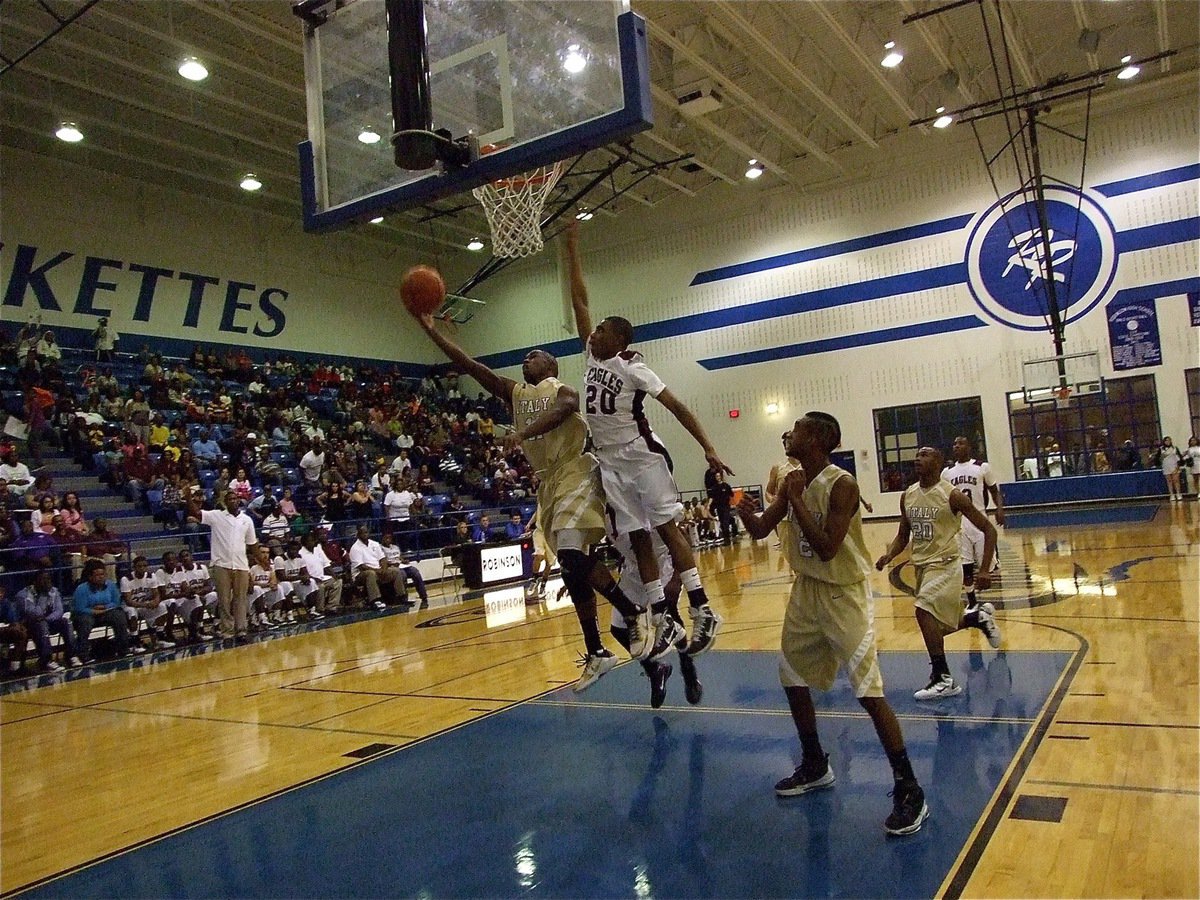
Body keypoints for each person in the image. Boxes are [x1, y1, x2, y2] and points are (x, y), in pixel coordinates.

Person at [415, 302, 657, 693]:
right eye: (524, 356)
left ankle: (630, 615)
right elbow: (469, 365)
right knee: (575, 563)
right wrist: (430, 331)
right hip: (549, 485)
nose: (527, 358)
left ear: (551, 365)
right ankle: (599, 649)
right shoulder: (517, 393)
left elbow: (565, 408)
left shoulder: (559, 389)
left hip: (578, 471)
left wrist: (523, 435)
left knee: (574, 559)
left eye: (535, 354)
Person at [735, 412, 928, 835]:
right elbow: (763, 529)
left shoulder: (843, 485)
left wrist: (798, 499)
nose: (790, 434)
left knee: (868, 693)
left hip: (844, 594)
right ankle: (814, 762)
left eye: (799, 428)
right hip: (807, 591)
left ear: (820, 438)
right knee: (791, 677)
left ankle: (908, 787)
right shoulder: (791, 479)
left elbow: (826, 548)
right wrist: (744, 511)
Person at [566, 221, 727, 658]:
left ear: (618, 339)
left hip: (642, 456)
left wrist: (708, 447)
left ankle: (702, 606)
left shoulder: (634, 368)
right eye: (593, 330)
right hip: (611, 463)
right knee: (638, 537)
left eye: (601, 331)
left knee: (664, 526)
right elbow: (580, 299)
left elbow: (678, 407)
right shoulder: (589, 356)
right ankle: (660, 614)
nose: (592, 333)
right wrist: (571, 244)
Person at [876, 446, 1002, 701]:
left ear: (939, 462)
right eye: (917, 455)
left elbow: (989, 530)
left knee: (923, 611)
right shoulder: (908, 495)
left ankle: (943, 678)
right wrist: (889, 555)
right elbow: (903, 535)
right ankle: (976, 618)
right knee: (938, 626)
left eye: (925, 455)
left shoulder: (951, 496)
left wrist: (985, 569)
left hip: (946, 564)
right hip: (922, 567)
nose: (917, 459)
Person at [942, 436, 1006, 607]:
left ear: (968, 447)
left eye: (961, 443)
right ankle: (972, 603)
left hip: (979, 520)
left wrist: (999, 508)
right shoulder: (947, 472)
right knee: (966, 567)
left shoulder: (981, 467)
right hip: (960, 523)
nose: (956, 446)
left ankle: (993, 602)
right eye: (954, 444)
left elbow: (994, 491)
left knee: (990, 567)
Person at [197, 491, 258, 642]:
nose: (233, 501)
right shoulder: (216, 516)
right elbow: (197, 514)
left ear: (239, 501)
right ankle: (227, 631)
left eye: (235, 498)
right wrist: (188, 498)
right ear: (225, 502)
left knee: (241, 599)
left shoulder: (247, 520)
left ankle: (241, 630)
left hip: (241, 564)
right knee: (224, 599)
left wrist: (261, 560)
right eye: (230, 499)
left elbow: (252, 543)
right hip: (221, 564)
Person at [15, 565, 82, 671]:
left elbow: (59, 611)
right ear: (35, 581)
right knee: (41, 625)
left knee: (66, 622)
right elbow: (33, 613)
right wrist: (42, 597)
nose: (47, 582)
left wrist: (47, 619)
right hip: (28, 625)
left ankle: (72, 656)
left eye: (49, 579)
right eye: (43, 579)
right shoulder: (23, 594)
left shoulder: (54, 591)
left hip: (47, 621)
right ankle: (46, 660)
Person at [72, 557, 134, 662]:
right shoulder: (81, 588)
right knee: (85, 622)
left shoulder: (110, 585)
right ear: (90, 577)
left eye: (102, 575)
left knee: (119, 615)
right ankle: (83, 654)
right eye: (97, 575)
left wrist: (105, 607)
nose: (101, 577)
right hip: (87, 614)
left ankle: (123, 649)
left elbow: (116, 602)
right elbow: (79, 608)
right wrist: (93, 611)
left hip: (106, 612)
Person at [120, 555, 175, 650]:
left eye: (144, 566)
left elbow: (156, 594)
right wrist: (145, 605)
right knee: (132, 612)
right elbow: (128, 601)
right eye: (139, 566)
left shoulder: (151, 576)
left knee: (162, 606)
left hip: (144, 604)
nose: (142, 568)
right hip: (130, 606)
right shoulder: (126, 579)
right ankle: (134, 642)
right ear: (134, 567)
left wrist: (156, 602)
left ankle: (160, 637)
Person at [348, 524, 400, 610]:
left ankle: (400, 596)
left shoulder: (375, 544)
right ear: (358, 535)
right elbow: (361, 566)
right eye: (362, 533)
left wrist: (383, 569)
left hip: (377, 570)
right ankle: (375, 600)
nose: (365, 534)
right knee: (371, 574)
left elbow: (383, 559)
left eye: (366, 532)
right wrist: (377, 570)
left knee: (395, 571)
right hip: (360, 575)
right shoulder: (355, 548)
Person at [379, 531, 429, 608]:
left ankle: (423, 596)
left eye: (389, 538)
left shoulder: (395, 547)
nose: (388, 540)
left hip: (401, 565)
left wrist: (403, 561)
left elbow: (399, 557)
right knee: (403, 574)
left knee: (415, 572)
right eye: (386, 538)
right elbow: (382, 561)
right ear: (382, 539)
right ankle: (404, 598)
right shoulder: (380, 548)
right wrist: (392, 564)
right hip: (391, 567)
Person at [299, 531, 344, 614]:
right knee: (321, 586)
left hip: (322, 577)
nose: (314, 542)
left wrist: (334, 576)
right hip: (310, 581)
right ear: (305, 543)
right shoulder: (300, 554)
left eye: (314, 540)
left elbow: (326, 564)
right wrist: (313, 578)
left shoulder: (318, 549)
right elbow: (302, 572)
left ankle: (331, 607)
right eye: (311, 541)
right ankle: (320, 609)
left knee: (338, 582)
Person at [1151, 436, 1186, 501]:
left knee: (1176, 480)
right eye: (1166, 440)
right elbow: (1157, 459)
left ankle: (1178, 493)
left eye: (1169, 440)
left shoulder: (1175, 448)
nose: (1168, 442)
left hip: (1175, 466)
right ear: (1164, 442)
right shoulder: (1161, 449)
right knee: (1169, 481)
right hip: (1166, 466)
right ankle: (1171, 494)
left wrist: (1178, 466)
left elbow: (1179, 458)